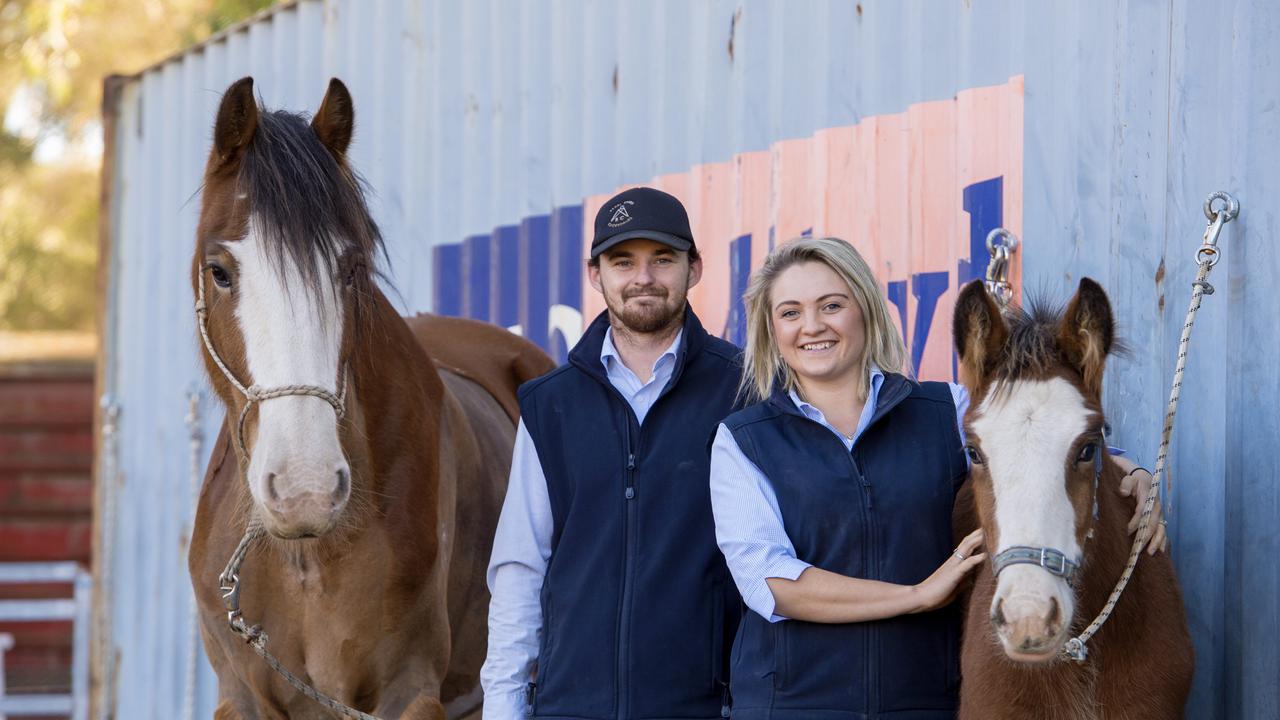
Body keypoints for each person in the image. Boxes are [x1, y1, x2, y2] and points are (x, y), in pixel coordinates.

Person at [708, 236, 1164, 719]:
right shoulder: (743, 441)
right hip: (793, 705)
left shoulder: (944, 408)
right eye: (791, 312)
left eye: (832, 305)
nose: (813, 326)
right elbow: (770, 581)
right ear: (770, 328)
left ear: (864, 309)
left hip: (924, 702)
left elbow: (1041, 439)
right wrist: (915, 595)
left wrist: (1128, 469)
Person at [482, 187, 743, 720]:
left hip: (703, 706)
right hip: (570, 705)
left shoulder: (744, 390)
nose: (642, 278)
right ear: (595, 274)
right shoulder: (548, 404)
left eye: (662, 260)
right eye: (623, 261)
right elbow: (521, 567)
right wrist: (504, 708)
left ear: (694, 269)